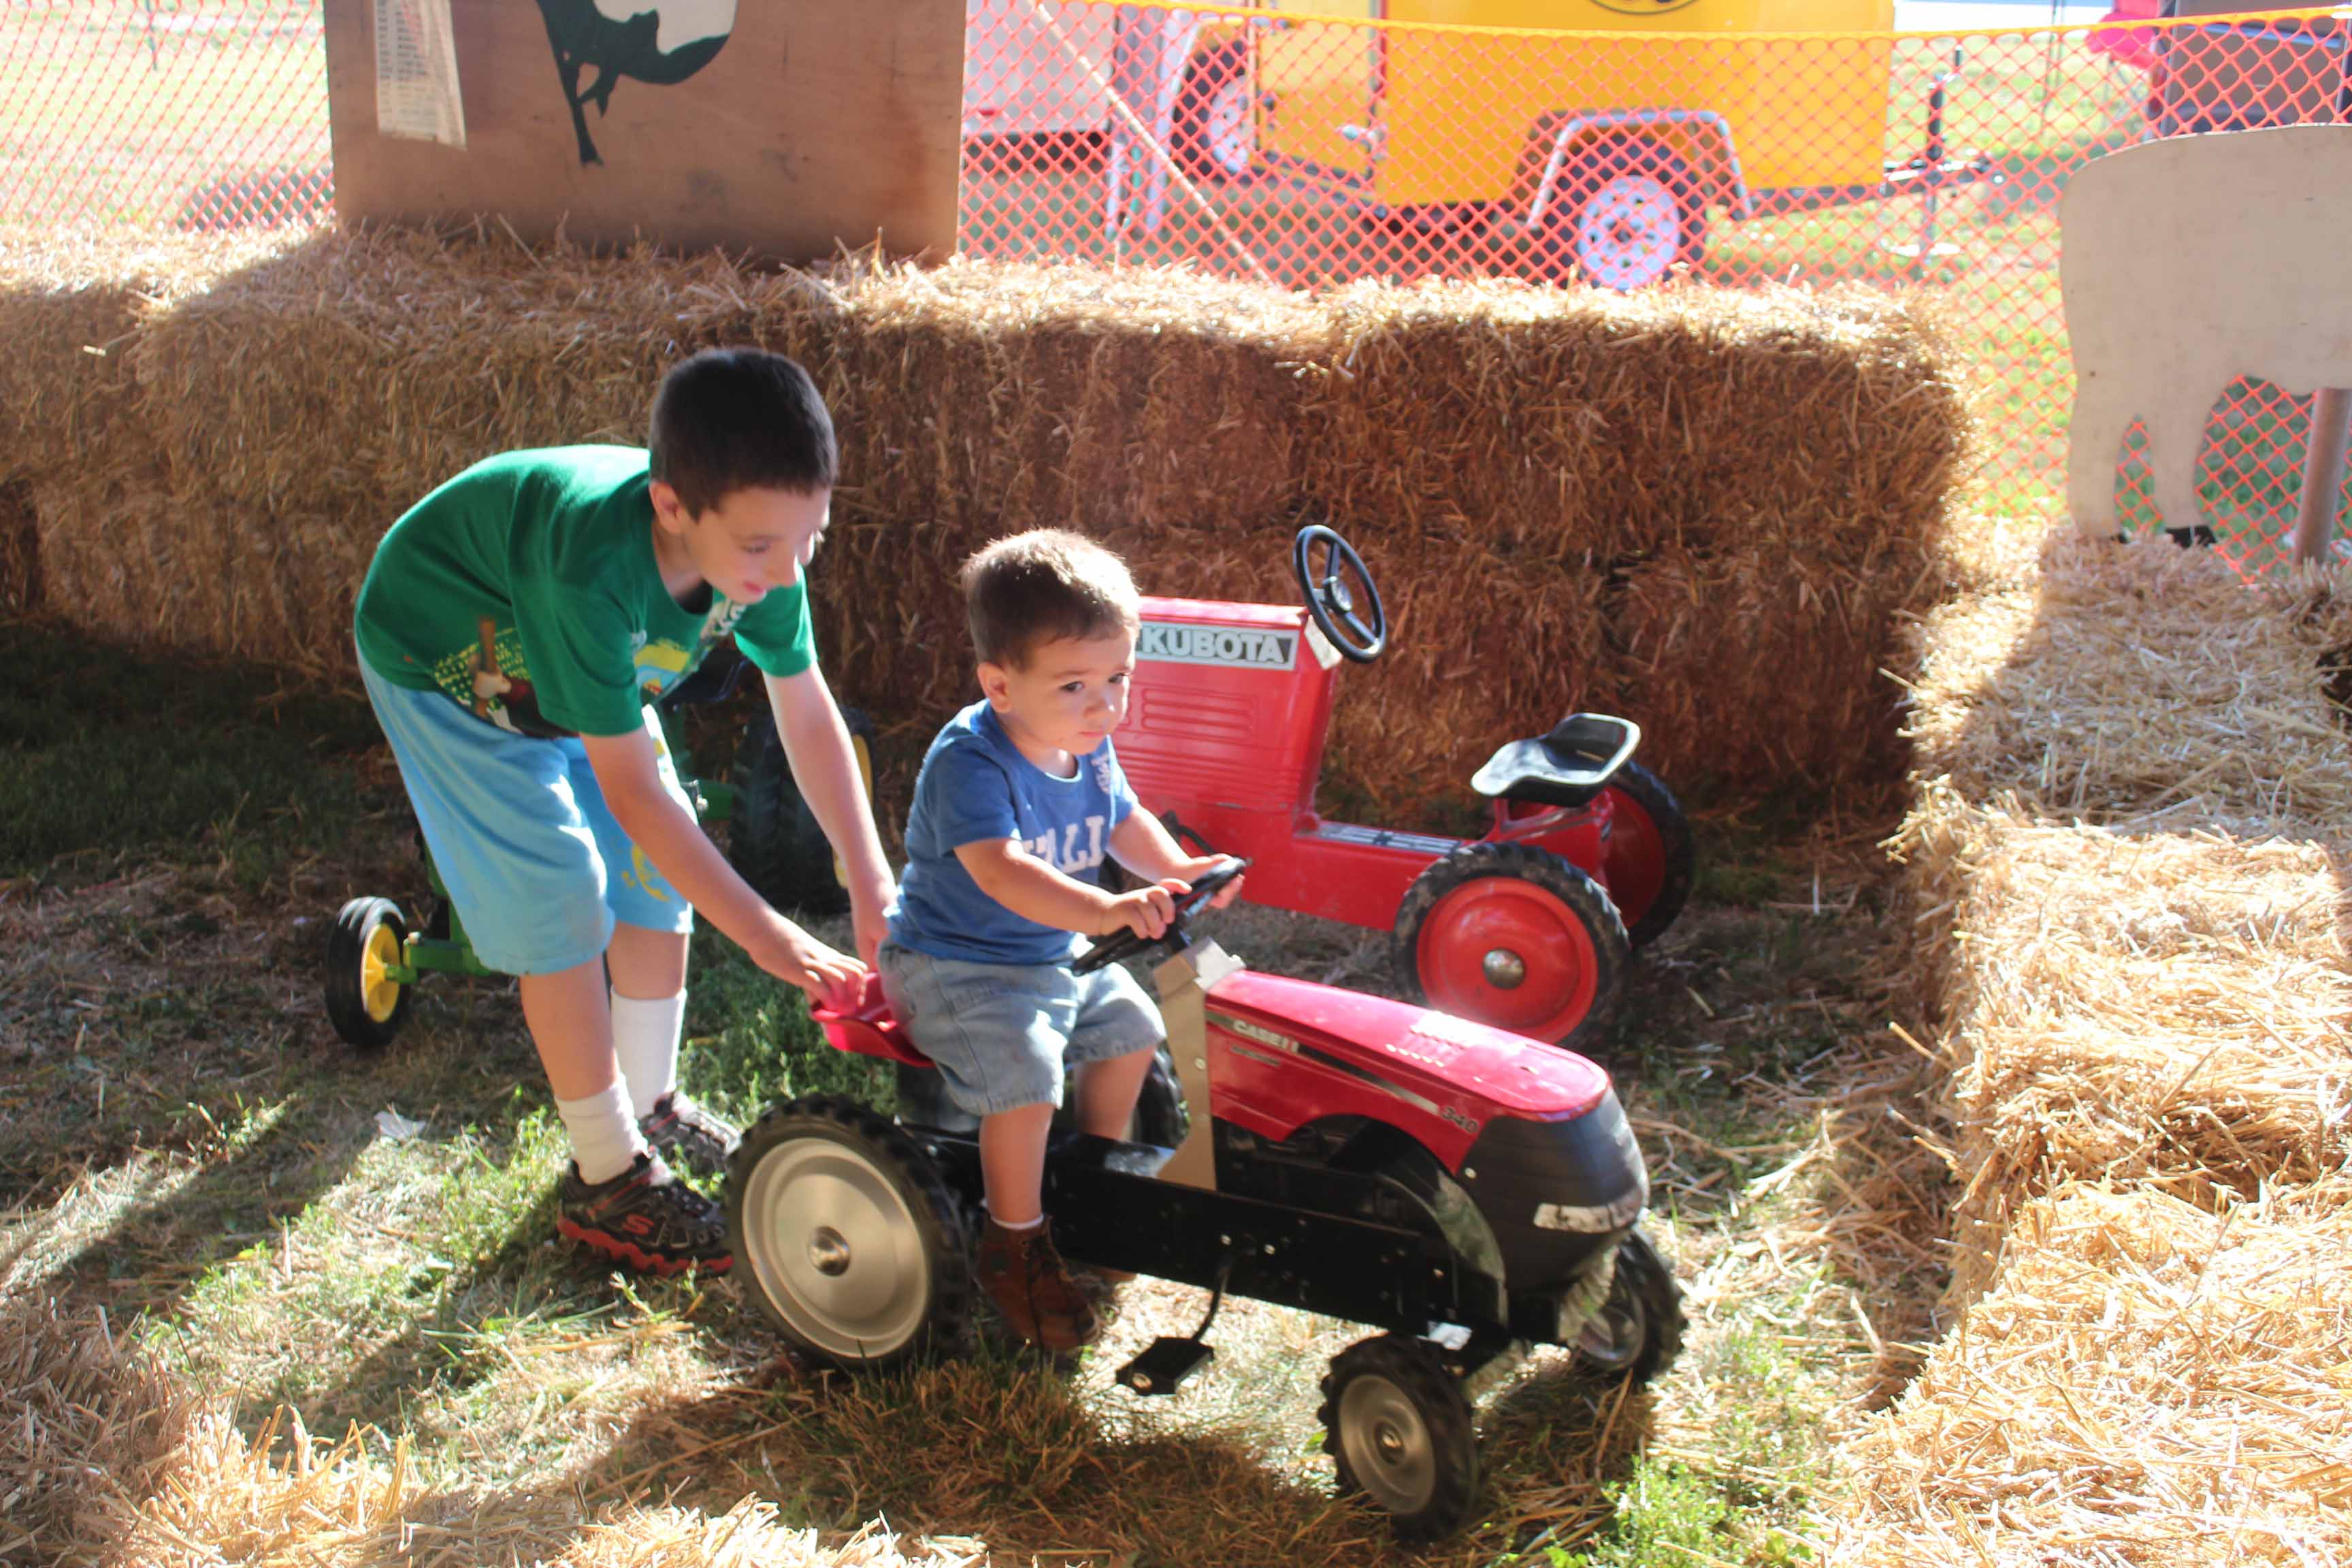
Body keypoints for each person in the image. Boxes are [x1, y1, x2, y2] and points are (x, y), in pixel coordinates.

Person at [351, 347, 892, 1276]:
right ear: (672, 506)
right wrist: (770, 937)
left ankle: (650, 1107)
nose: (789, 567)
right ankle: (606, 1178)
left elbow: (805, 711)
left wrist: (870, 877)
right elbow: (633, 795)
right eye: (762, 546)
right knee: (563, 897)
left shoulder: (763, 562)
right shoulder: (590, 570)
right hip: (450, 668)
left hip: (575, 672)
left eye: (811, 538)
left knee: (653, 883)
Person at [877, 529, 1238, 1351]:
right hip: (954, 966)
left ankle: (1091, 1184)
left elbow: (1123, 821)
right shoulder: (972, 763)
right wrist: (1109, 911)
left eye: (1118, 678)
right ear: (999, 685)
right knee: (1029, 1077)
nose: (1105, 705)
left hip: (1047, 958)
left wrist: (1178, 868)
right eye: (1076, 684)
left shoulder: (1088, 742)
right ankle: (1016, 1242)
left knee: (1135, 1031)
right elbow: (1003, 874)